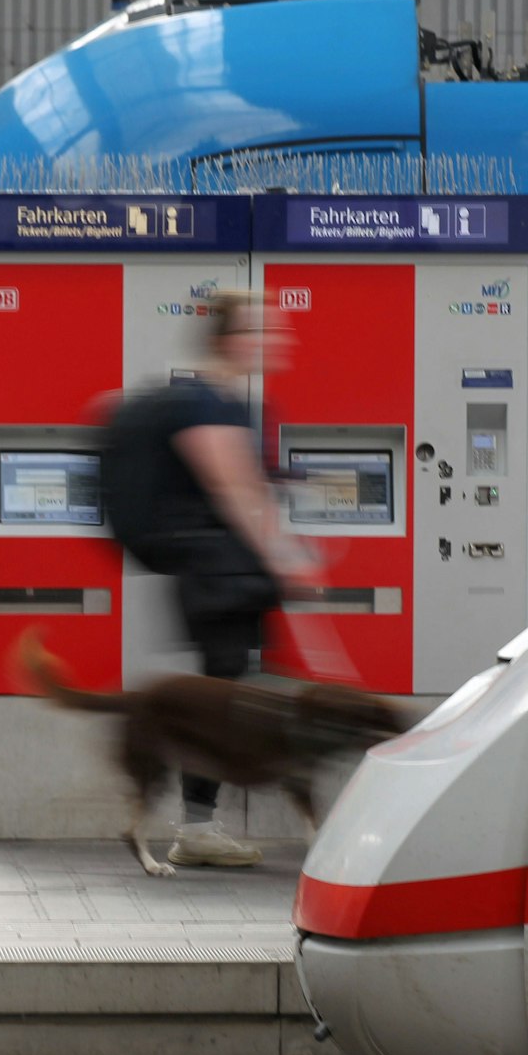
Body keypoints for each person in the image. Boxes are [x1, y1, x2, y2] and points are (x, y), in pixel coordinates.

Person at [107, 290, 312, 867]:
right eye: (264, 330)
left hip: (223, 575)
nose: (277, 340)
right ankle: (198, 826)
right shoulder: (208, 403)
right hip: (219, 579)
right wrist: (284, 558)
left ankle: (201, 822)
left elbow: (250, 485)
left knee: (232, 695)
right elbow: (232, 488)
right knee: (229, 701)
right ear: (232, 340)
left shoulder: (227, 401)